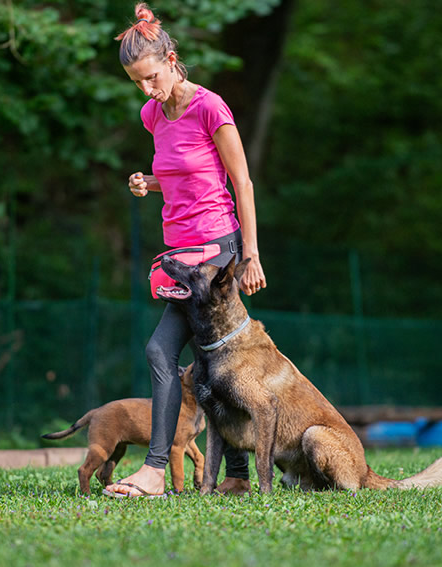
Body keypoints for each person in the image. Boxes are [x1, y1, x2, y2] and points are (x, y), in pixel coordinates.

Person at [103, 3, 267, 498]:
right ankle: (236, 476)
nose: (146, 90)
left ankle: (156, 469)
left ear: (172, 59)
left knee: (165, 349)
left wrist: (252, 254)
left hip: (217, 249)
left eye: (151, 77)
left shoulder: (209, 107)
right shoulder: (153, 114)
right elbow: (181, 179)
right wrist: (147, 183)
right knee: (210, 360)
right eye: (136, 82)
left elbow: (240, 182)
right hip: (179, 251)